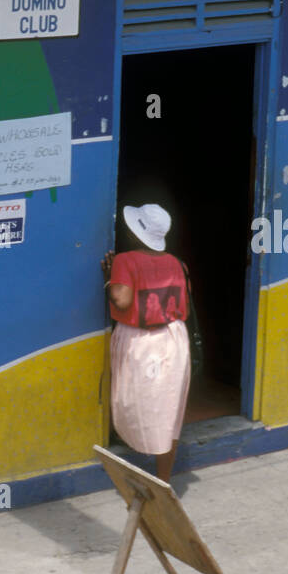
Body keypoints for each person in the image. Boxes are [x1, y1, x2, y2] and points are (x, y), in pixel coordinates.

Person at [101, 203, 191, 482]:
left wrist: (109, 280)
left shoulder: (124, 260)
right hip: (174, 338)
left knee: (133, 401)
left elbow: (122, 300)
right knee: (169, 409)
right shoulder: (178, 263)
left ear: (133, 233)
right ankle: (163, 478)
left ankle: (133, 465)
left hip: (140, 341)